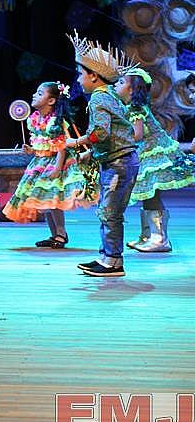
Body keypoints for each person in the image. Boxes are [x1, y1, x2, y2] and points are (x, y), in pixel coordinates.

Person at [64, 32, 140, 277]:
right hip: (119, 160)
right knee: (108, 212)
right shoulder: (109, 95)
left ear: (94, 76)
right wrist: (91, 154)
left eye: (80, 74)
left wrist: (77, 142)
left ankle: (113, 261)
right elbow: (114, 133)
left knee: (110, 212)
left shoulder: (99, 97)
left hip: (120, 163)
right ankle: (107, 257)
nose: (78, 79)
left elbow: (101, 132)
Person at [1, 82, 96, 246]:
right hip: (40, 162)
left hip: (55, 162)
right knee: (46, 200)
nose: (34, 95)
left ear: (51, 101)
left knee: (53, 199)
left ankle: (61, 234)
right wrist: (31, 150)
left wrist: (57, 168)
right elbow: (43, 144)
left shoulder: (56, 121)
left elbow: (62, 146)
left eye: (39, 93)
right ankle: (55, 235)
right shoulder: (35, 120)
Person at [117, 69, 194, 253]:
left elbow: (137, 135)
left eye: (121, 82)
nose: (115, 85)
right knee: (148, 194)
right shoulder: (132, 107)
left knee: (152, 194)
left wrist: (117, 138)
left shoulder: (136, 109)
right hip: (147, 153)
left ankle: (159, 238)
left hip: (153, 154)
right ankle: (147, 235)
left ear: (132, 89)